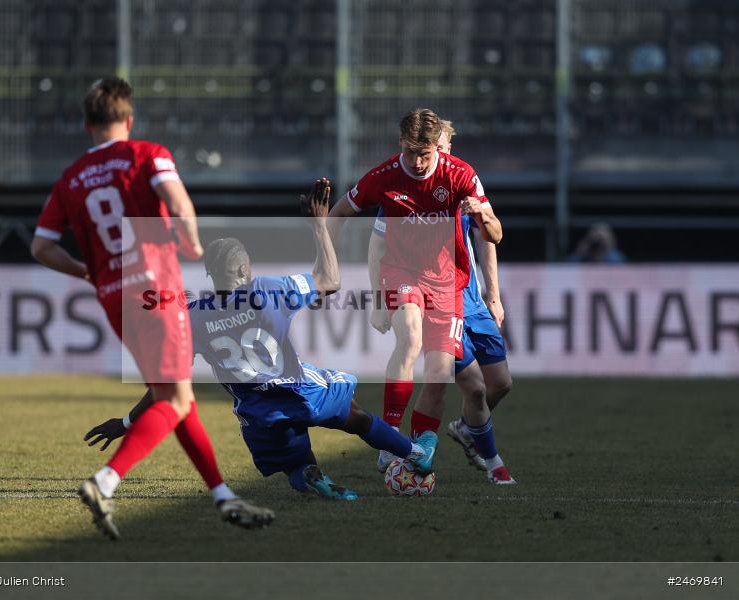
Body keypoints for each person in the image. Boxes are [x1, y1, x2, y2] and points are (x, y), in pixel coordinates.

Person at [82, 180, 432, 501]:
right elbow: (329, 280)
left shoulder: (192, 316)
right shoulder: (267, 291)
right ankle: (415, 454)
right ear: (245, 270)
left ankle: (309, 474)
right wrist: (318, 227)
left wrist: (126, 422)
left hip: (258, 414)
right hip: (300, 392)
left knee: (295, 463)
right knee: (354, 415)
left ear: (209, 275)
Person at [31, 77, 273, 539]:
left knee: (174, 397)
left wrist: (86, 271)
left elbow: (42, 247)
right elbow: (178, 203)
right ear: (129, 119)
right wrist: (192, 241)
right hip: (156, 290)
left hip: (113, 297)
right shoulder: (148, 153)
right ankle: (106, 480)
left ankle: (222, 495)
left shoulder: (69, 179)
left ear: (87, 125)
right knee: (177, 398)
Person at [325, 108, 511, 483]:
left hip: (449, 284)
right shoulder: (384, 177)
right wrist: (327, 264)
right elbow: (338, 214)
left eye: (427, 153)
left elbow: (495, 235)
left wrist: (482, 215)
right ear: (401, 144)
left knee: (443, 374)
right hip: (403, 273)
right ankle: (389, 436)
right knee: (409, 337)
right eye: (413, 153)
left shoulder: (460, 175)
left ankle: (421, 443)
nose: (421, 161)